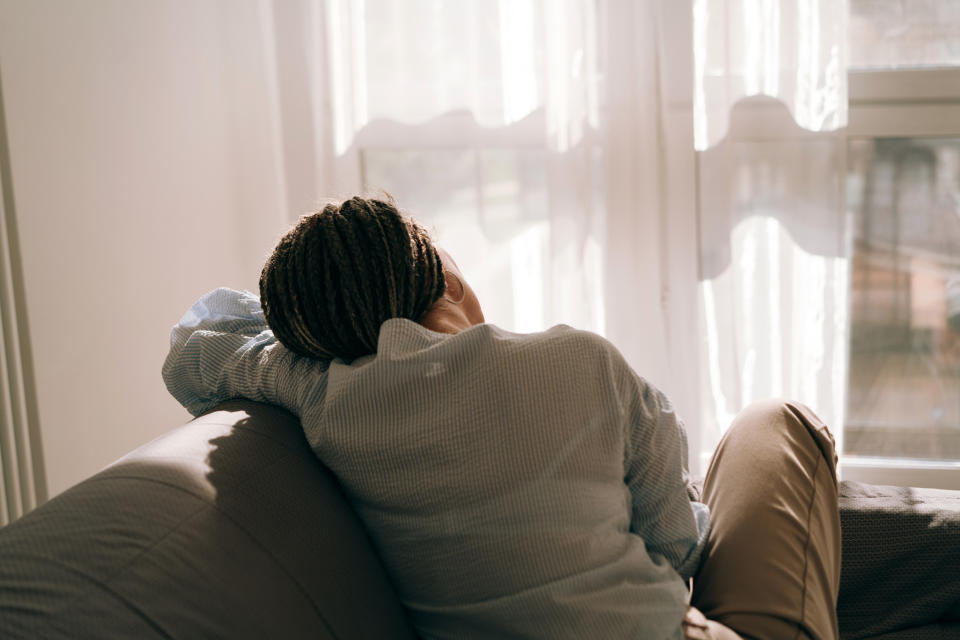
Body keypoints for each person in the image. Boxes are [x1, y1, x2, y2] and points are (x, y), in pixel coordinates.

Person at [163, 196, 841, 639]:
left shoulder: (319, 393)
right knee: (768, 422)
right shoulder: (584, 361)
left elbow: (194, 348)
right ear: (452, 283)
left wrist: (315, 329)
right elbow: (676, 545)